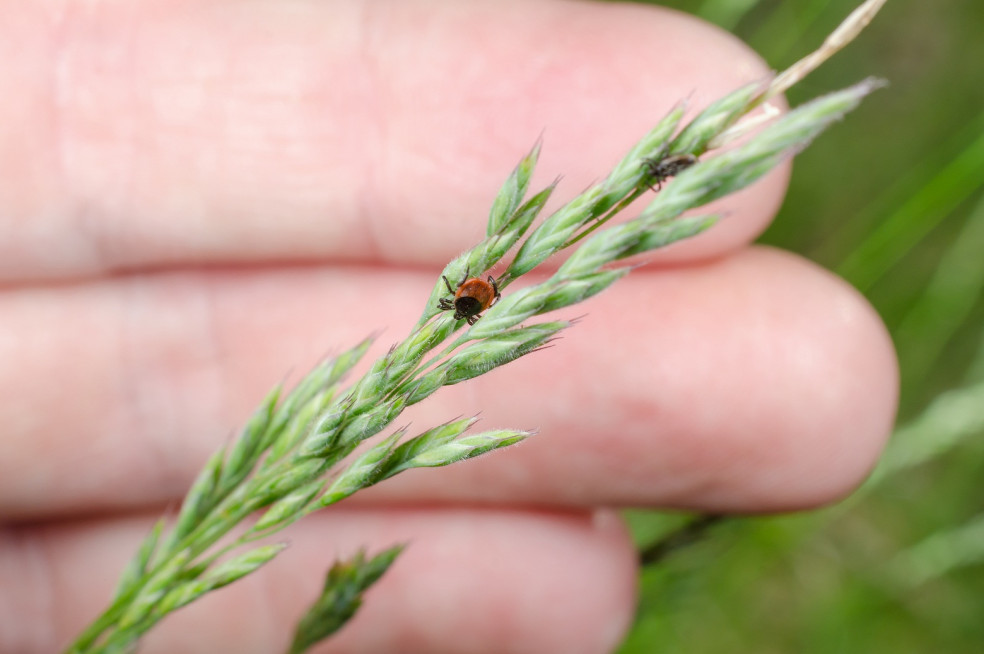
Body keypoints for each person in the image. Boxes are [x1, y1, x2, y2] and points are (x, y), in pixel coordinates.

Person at [0, 1, 898, 652]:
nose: (471, 300)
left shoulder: (472, 293)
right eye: (470, 301)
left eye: (469, 301)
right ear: (472, 297)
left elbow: (466, 302)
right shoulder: (470, 295)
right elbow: (464, 303)